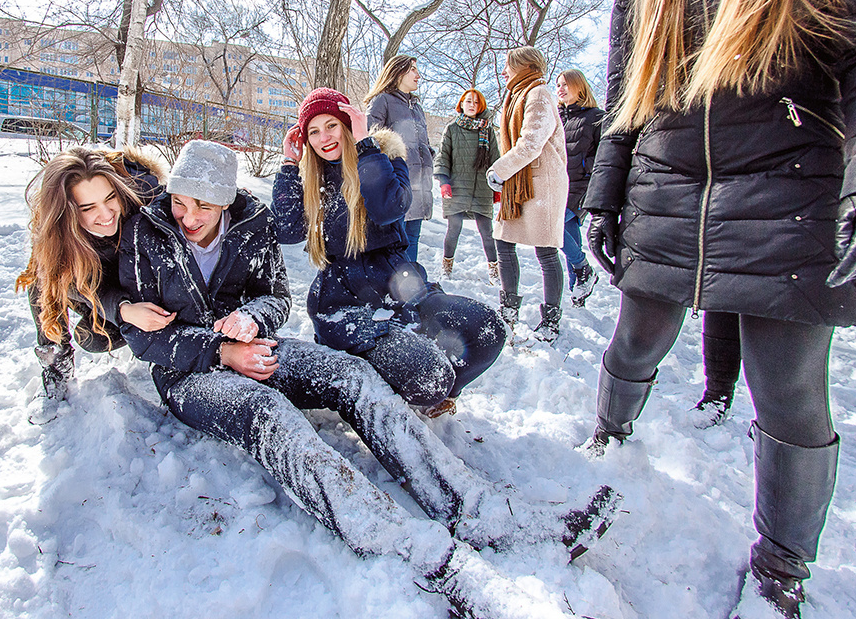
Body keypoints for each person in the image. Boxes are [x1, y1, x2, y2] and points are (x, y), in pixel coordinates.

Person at [581, 0, 856, 615]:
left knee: (789, 389)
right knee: (637, 339)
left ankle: (781, 570)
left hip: (790, 190)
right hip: (667, 188)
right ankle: (609, 438)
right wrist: (603, 195)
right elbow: (627, 97)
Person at [117, 139, 620, 618]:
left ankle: (475, 506)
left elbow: (275, 296)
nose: (189, 217)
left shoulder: (252, 221)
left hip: (255, 344)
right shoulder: (148, 230)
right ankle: (396, 538)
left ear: (226, 201)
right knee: (266, 413)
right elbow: (145, 338)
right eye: (181, 202)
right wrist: (224, 351)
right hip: (189, 370)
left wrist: (253, 320)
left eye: (203, 206)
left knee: (351, 374)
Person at [274, 88, 506, 417]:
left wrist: (365, 145)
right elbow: (286, 230)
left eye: (332, 126)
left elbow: (387, 209)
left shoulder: (384, 155)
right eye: (314, 131)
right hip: (346, 305)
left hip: (404, 288)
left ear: (347, 123)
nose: (324, 137)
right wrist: (288, 162)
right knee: (430, 374)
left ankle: (431, 396)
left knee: (487, 328)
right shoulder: (312, 177)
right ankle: (375, 371)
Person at [14, 146, 169, 424]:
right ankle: (54, 366)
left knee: (95, 338)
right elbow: (73, 284)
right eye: (88, 208)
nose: (106, 214)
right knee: (41, 277)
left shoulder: (145, 196)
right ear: (66, 213)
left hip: (139, 285)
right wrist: (121, 310)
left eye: (110, 198)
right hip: (94, 283)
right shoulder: (57, 236)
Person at [487, 47, 568, 343]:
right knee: (503, 241)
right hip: (520, 183)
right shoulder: (516, 94)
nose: (504, 70)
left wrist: (500, 170)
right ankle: (508, 310)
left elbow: (531, 142)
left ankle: (551, 320)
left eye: (508, 65)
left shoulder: (539, 94)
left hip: (542, 183)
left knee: (546, 251)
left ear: (523, 65)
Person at [365, 55, 433, 262]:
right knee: (395, 241)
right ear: (398, 71)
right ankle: (393, 288)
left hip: (420, 185)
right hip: (396, 186)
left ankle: (411, 289)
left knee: (413, 239)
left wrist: (429, 155)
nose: (418, 75)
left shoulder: (417, 108)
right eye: (413, 69)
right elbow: (370, 138)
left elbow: (423, 142)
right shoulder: (382, 100)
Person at [434, 88, 501, 284]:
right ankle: (446, 268)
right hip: (457, 187)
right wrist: (444, 182)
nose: (472, 105)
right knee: (454, 228)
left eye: (476, 102)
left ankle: (494, 272)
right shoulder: (452, 129)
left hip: (482, 187)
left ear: (481, 106)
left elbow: (495, 159)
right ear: (461, 104)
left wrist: (497, 185)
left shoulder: (487, 130)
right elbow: (443, 156)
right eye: (468, 101)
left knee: (487, 232)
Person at [555, 69, 604, 307]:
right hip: (556, 185)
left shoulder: (596, 117)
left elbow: (603, 154)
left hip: (580, 187)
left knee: (552, 227)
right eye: (558, 85)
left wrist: (589, 170)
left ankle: (584, 268)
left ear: (579, 87)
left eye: (566, 84)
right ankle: (579, 293)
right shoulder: (556, 117)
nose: (561, 89)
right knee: (570, 235)